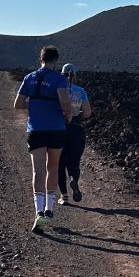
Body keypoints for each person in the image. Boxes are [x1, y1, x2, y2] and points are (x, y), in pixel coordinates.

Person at [14, 45, 72, 233]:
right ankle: (50, 209)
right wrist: (68, 115)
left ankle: (38, 212)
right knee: (53, 168)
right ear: (55, 60)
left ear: (41, 59)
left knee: (37, 171)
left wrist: (35, 104)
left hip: (36, 129)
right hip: (56, 128)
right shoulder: (59, 79)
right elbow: (64, 101)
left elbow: (18, 104)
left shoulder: (29, 78)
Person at [56, 63, 92, 205]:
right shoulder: (81, 91)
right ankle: (73, 179)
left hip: (59, 128)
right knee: (74, 162)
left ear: (62, 74)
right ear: (75, 75)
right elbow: (88, 113)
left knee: (59, 163)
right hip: (77, 130)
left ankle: (64, 196)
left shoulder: (58, 90)